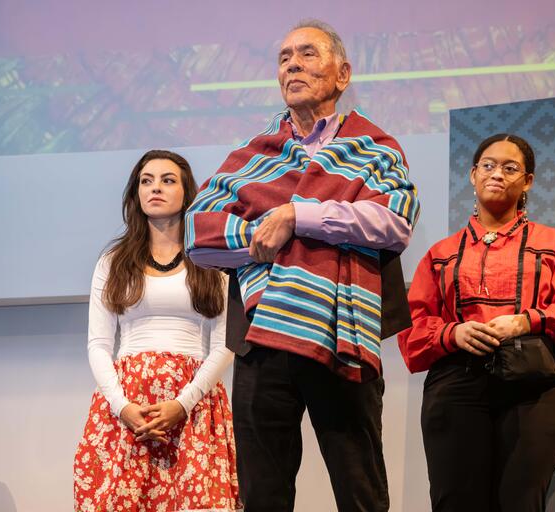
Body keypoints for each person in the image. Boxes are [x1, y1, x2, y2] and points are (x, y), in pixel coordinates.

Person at [184, 19, 420, 512]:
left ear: (342, 74)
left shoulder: (374, 149)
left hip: (340, 333)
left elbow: (393, 222)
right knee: (262, 493)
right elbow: (197, 233)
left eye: (308, 54)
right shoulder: (253, 155)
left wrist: (298, 216)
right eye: (284, 57)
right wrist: (260, 235)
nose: (292, 63)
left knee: (360, 489)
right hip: (260, 340)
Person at [398, 133, 555, 511]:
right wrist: (452, 332)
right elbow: (413, 329)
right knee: (455, 501)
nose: (497, 174)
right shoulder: (440, 254)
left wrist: (527, 321)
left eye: (511, 168)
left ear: (528, 182)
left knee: (521, 502)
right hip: (456, 383)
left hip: (534, 383)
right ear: (473, 175)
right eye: (488, 166)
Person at [73, 150, 240, 512]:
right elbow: (99, 344)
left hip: (194, 406)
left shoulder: (211, 260)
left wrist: (183, 403)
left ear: (186, 193)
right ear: (136, 195)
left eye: (168, 180)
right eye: (146, 181)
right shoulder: (113, 262)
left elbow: (225, 343)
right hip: (127, 409)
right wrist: (122, 407)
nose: (155, 188)